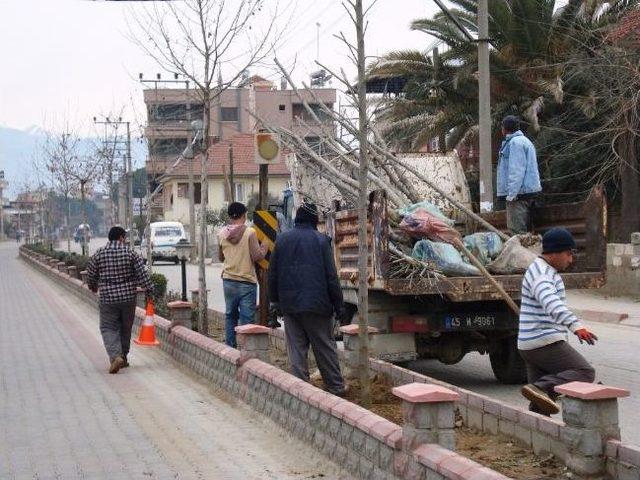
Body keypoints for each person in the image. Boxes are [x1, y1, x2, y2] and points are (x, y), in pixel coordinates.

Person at [268, 203, 347, 397]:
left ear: (296, 219)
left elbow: (272, 274)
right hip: (317, 305)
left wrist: (275, 302)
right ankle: (335, 387)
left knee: (296, 348)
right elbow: (331, 277)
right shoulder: (321, 241)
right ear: (313, 221)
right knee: (324, 347)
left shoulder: (282, 240)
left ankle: (300, 390)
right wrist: (339, 305)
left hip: (290, 306)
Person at [518, 227, 598, 415]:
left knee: (540, 404)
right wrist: (577, 327)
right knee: (585, 372)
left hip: (529, 344)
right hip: (543, 342)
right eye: (568, 254)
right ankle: (541, 388)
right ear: (554, 252)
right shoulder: (542, 275)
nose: (570, 260)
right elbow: (552, 304)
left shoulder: (541, 269)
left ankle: (536, 439)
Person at [87, 226, 154, 374]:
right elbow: (142, 274)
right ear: (122, 237)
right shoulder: (130, 253)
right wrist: (150, 290)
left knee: (108, 328)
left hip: (107, 299)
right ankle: (123, 357)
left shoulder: (99, 253)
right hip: (128, 298)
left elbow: (91, 273)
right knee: (125, 327)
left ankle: (115, 356)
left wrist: (93, 286)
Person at [218, 202, 267, 347]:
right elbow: (257, 256)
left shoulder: (221, 233)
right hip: (246, 281)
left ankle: (230, 346)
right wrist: (264, 246)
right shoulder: (249, 233)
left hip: (228, 281)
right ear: (244, 215)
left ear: (230, 216)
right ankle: (246, 349)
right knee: (247, 319)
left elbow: (221, 257)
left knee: (230, 316)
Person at [496, 115, 542, 234]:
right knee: (527, 232)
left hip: (518, 195)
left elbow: (516, 170)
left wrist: (511, 194)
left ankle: (522, 252)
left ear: (504, 128)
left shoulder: (515, 143)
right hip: (527, 192)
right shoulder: (525, 141)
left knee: (517, 232)